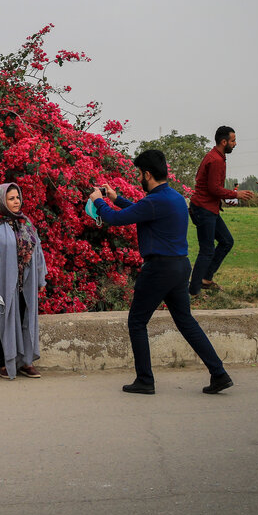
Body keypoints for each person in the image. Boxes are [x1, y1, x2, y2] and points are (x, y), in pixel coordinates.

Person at [89, 149, 233, 395]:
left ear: (147, 174)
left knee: (136, 321)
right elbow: (139, 211)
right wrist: (116, 197)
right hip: (179, 267)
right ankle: (219, 374)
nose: (138, 178)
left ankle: (145, 380)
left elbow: (115, 219)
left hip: (158, 269)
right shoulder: (174, 197)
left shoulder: (155, 201)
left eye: (139, 174)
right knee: (186, 322)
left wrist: (98, 201)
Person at [0, 183, 48, 380]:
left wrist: (40, 278)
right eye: (11, 199)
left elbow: (37, 251)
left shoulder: (26, 223)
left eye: (17, 198)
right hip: (5, 282)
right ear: (1, 201)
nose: (16, 202)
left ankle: (26, 362)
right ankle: (5, 362)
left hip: (27, 282)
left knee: (26, 318)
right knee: (5, 320)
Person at [188, 126, 254, 297]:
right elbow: (213, 189)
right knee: (207, 249)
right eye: (233, 140)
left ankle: (206, 279)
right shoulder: (216, 160)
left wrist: (228, 198)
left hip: (209, 208)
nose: (235, 143)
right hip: (204, 209)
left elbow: (214, 190)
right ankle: (194, 291)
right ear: (224, 142)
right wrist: (235, 194)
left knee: (226, 241)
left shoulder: (217, 157)